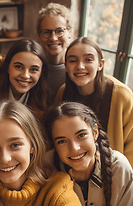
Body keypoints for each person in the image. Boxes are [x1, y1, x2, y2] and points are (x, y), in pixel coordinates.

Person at [44, 101, 133, 206]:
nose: (74, 148)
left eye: (81, 135)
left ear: (95, 132)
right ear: (54, 145)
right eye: (62, 141)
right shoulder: (46, 168)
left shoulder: (119, 167)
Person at [54, 36, 133, 167]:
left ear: (100, 64)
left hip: (113, 172)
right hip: (73, 169)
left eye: (88, 60)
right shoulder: (62, 93)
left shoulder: (122, 96)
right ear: (66, 67)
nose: (80, 66)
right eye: (73, 61)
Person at [0, 39, 49, 127]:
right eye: (18, 67)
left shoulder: (44, 103)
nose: (25, 75)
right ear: (8, 67)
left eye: (33, 70)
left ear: (41, 73)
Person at [36, 2, 73, 104]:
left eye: (59, 31)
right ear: (39, 36)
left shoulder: (78, 68)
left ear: (70, 32)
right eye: (47, 32)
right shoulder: (32, 67)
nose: (53, 38)